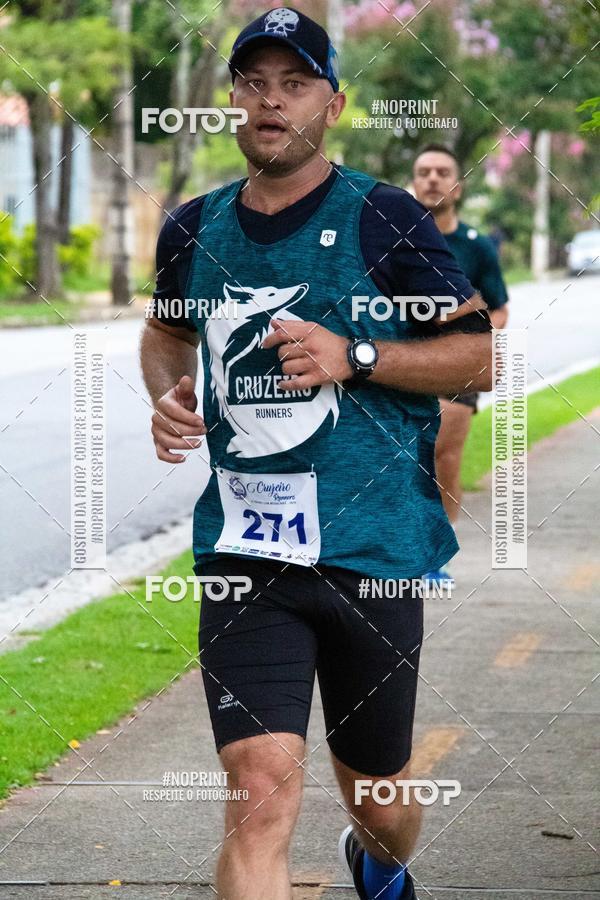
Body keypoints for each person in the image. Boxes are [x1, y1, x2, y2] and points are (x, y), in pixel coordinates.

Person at [140, 10, 492, 900]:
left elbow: (477, 351)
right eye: (254, 82)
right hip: (245, 554)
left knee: (378, 798)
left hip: (372, 556)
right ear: (231, 100)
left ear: (330, 105)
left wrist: (358, 355)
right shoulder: (191, 228)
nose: (270, 100)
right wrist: (170, 391)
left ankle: (378, 860)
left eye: (293, 83)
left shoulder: (385, 215)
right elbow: (164, 332)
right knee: (259, 792)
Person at [412, 143, 509, 589]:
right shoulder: (396, 240)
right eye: (424, 171)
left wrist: (479, 347)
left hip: (457, 365)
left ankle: (437, 554)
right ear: (414, 182)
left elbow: (500, 309)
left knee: (444, 456)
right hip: (400, 363)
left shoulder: (476, 246)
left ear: (458, 185)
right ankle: (400, 548)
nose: (433, 178)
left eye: (442, 171)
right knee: (401, 460)